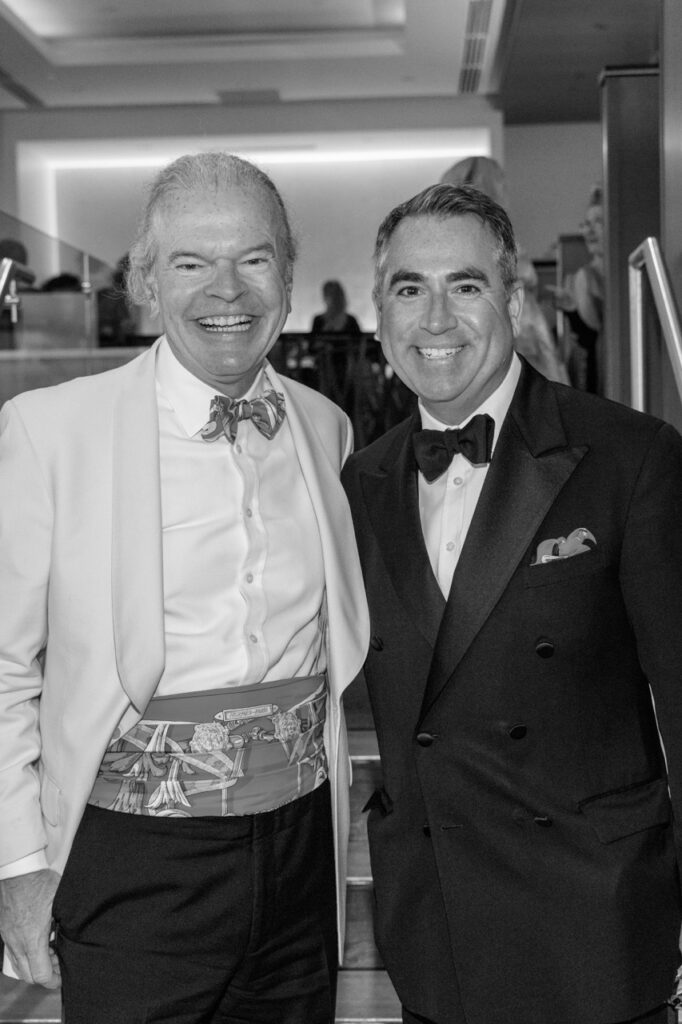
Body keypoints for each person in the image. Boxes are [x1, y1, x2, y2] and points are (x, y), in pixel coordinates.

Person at [0, 151, 369, 1024]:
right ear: (146, 282)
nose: (226, 290)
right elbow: (6, 665)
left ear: (287, 272)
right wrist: (18, 866)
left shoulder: (327, 427)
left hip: (301, 845)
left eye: (253, 258)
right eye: (191, 263)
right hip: (131, 857)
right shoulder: (52, 433)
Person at [342, 182, 682, 1024]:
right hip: (435, 923)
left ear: (515, 301)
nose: (436, 320)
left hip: (592, 918)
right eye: (408, 289)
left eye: (466, 286)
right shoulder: (359, 481)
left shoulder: (630, 457)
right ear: (379, 311)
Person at [440, 155, 570, 385]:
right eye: (498, 181)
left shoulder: (489, 233)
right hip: (514, 337)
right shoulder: (478, 237)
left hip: (525, 335)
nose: (504, 187)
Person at [550, 184, 605, 393]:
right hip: (600, 379)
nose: (588, 231)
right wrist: (572, 312)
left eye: (598, 222)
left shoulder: (632, 273)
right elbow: (588, 342)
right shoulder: (584, 278)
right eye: (586, 224)